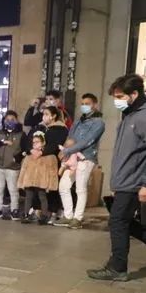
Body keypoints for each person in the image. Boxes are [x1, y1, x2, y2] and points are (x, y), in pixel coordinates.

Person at [88, 74, 146, 282]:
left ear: (134, 94)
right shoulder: (131, 116)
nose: (117, 101)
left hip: (136, 181)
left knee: (117, 221)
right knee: (124, 221)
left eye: (120, 97)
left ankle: (118, 266)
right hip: (126, 180)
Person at [56, 93, 104, 229]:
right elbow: (70, 137)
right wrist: (65, 150)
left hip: (86, 157)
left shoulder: (98, 123)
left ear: (95, 105)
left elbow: (87, 141)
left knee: (80, 188)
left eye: (87, 104)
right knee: (64, 186)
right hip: (71, 157)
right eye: (82, 104)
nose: (84, 106)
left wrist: (67, 151)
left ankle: (78, 218)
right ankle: (68, 215)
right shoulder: (78, 121)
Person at [0, 110, 27, 220]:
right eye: (7, 119)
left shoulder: (21, 134)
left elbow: (26, 150)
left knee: (13, 189)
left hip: (12, 167)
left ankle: (14, 210)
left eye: (12, 120)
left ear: (17, 120)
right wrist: (1, 143)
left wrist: (17, 158)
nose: (9, 121)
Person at [17, 133, 59, 224]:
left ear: (43, 143)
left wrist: (51, 184)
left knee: (42, 197)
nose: (35, 144)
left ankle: (44, 215)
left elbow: (52, 171)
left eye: (37, 142)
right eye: (33, 142)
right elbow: (24, 169)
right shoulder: (29, 156)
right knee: (28, 197)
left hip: (42, 181)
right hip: (29, 180)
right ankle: (26, 214)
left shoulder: (49, 156)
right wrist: (22, 182)